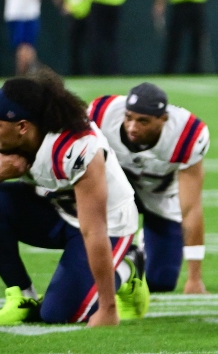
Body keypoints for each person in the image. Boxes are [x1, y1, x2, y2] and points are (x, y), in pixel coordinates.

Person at [0, 72, 144, 327]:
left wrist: (108, 307)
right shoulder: (2, 131)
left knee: (58, 314)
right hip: (53, 209)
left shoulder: (76, 148)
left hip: (105, 223)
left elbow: (94, 229)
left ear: (23, 127)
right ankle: (22, 296)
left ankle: (128, 266)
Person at [87, 84, 210, 295]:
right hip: (114, 193)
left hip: (159, 196)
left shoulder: (186, 135)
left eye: (143, 121)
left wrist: (194, 278)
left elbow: (191, 208)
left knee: (160, 282)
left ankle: (140, 250)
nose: (132, 127)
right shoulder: (102, 113)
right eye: (128, 117)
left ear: (163, 119)